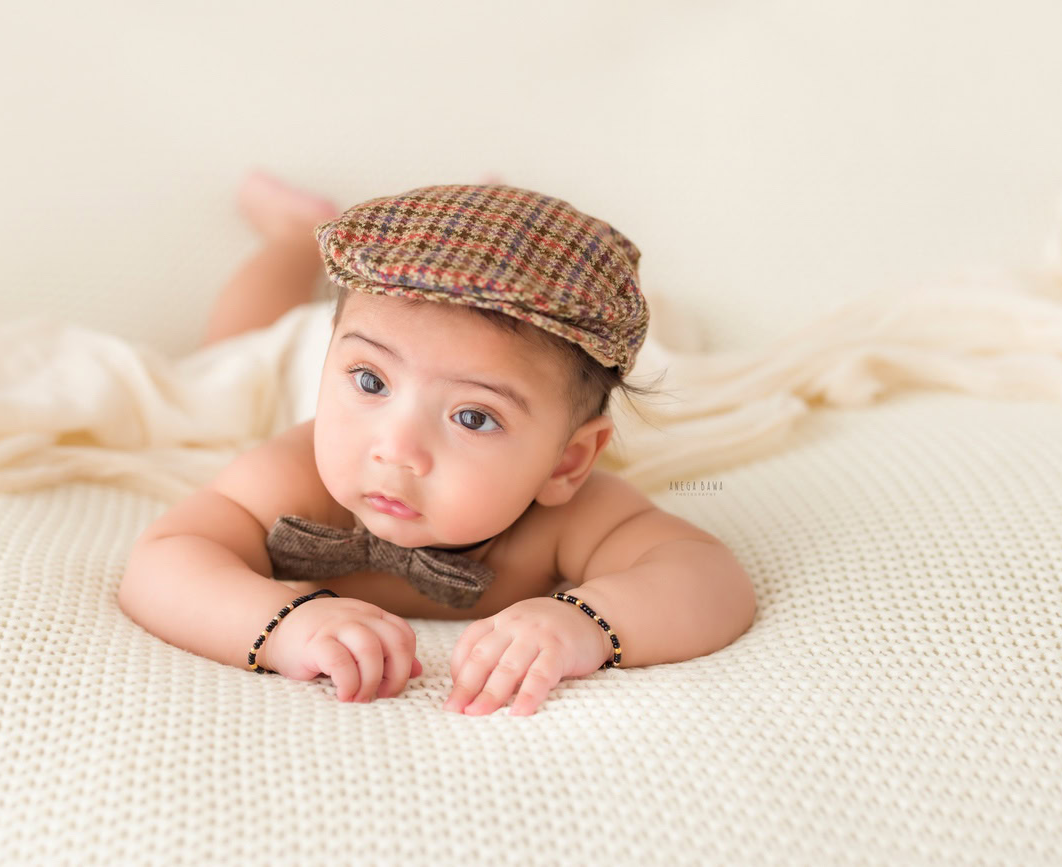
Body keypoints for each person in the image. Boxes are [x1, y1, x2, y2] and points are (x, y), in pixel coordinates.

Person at [117, 170, 756, 716]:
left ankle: (493, 239)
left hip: (400, 345)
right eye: (369, 384)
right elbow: (164, 561)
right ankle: (293, 236)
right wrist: (282, 622)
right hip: (284, 365)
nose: (396, 448)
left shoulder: (575, 515)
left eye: (473, 418)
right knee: (226, 364)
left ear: (568, 461)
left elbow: (708, 577)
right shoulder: (290, 475)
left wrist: (588, 621)